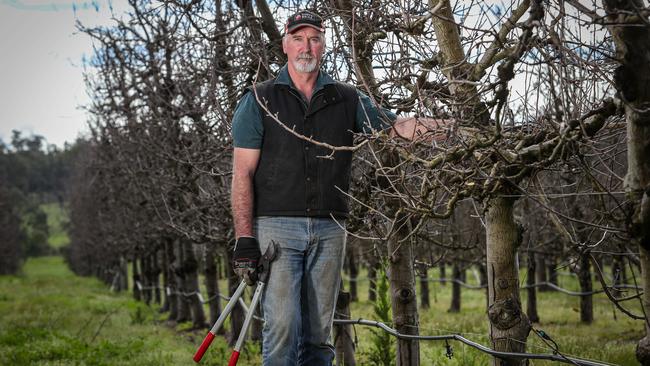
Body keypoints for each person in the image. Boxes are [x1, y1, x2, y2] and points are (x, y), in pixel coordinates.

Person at [230, 9, 445, 366]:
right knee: (282, 329)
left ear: (324, 45)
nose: (306, 47)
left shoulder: (347, 98)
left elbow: (396, 128)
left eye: (314, 39)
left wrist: (451, 129)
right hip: (276, 230)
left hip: (331, 228)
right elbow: (242, 174)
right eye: (298, 39)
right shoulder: (259, 99)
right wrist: (244, 238)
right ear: (285, 45)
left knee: (318, 335)